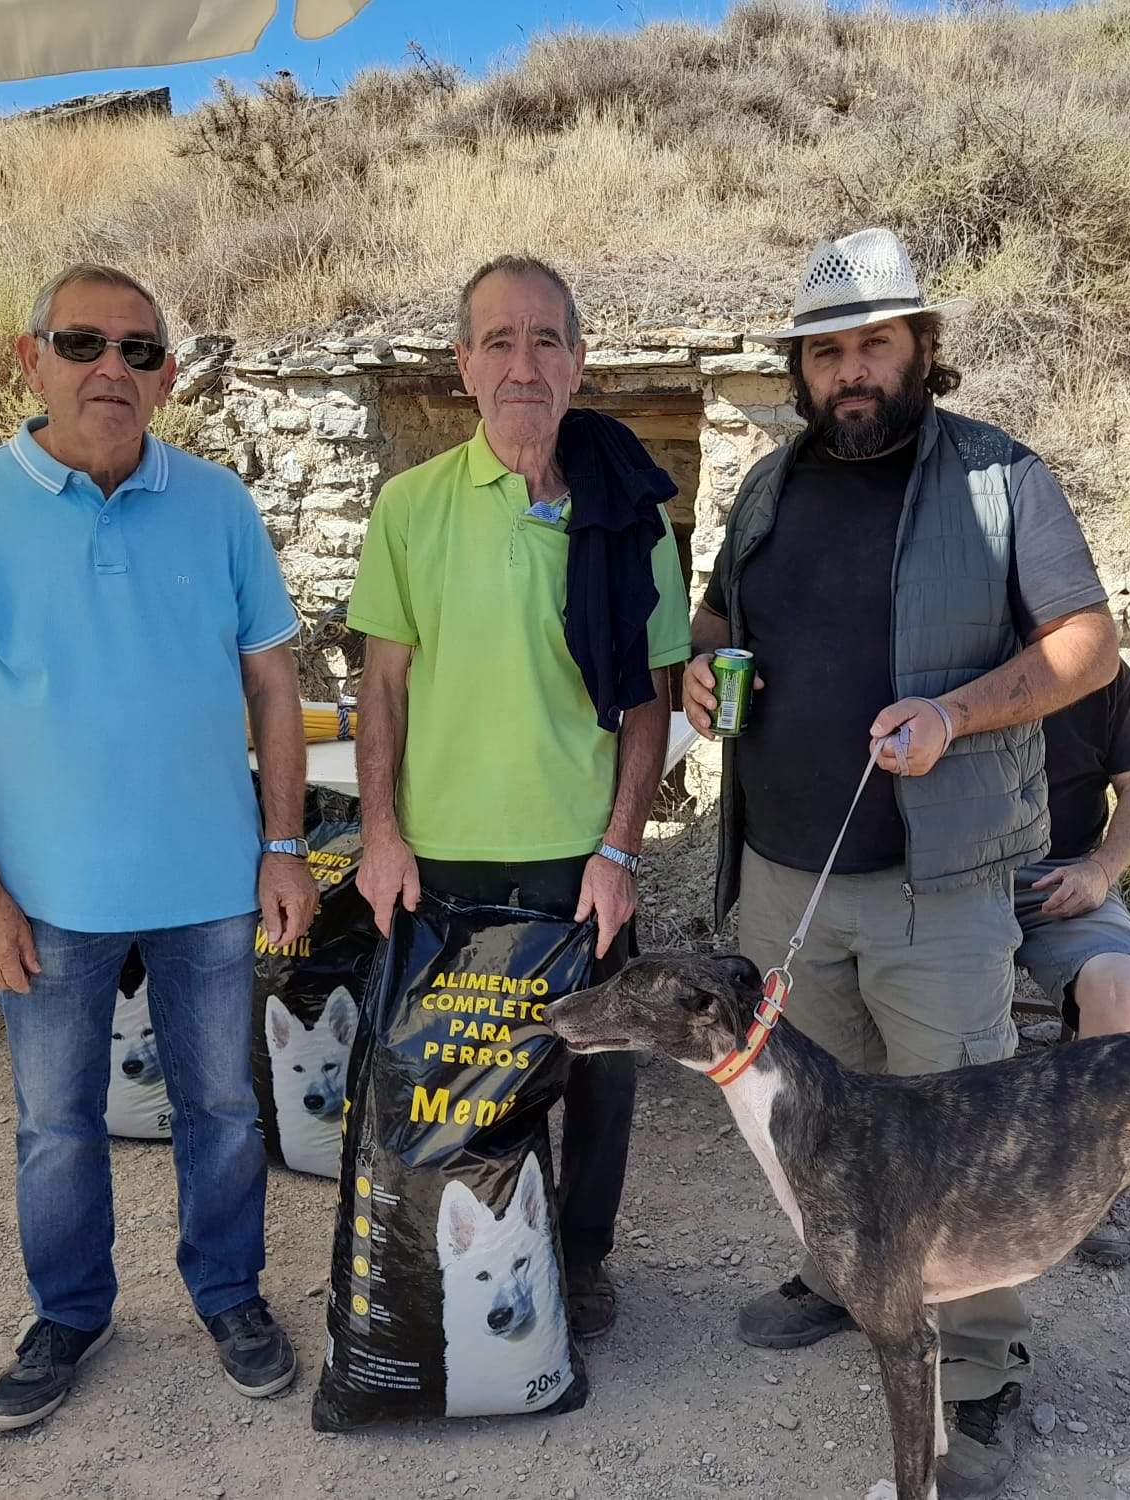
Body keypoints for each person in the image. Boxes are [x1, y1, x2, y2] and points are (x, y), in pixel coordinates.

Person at [682, 228, 1119, 1500]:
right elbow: (718, 622)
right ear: (802, 369)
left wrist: (955, 712)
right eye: (827, 353)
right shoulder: (766, 489)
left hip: (940, 885)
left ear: (921, 348)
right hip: (780, 874)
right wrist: (704, 667)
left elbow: (1085, 644)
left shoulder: (1000, 479)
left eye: (874, 343)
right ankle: (842, 1278)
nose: (850, 373)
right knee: (814, 1111)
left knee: (967, 1134)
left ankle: (977, 1375)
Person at [0, 263, 318, 1432]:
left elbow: (272, 686)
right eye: (84, 343)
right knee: (55, 1125)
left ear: (168, 379)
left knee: (224, 1111)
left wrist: (284, 844)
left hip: (208, 886)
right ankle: (70, 1313)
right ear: (26, 357)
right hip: (43, 898)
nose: (112, 369)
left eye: (140, 352)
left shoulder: (218, 504)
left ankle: (229, 1295)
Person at [348, 254, 693, 1341]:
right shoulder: (408, 509)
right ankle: (457, 1249)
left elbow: (646, 701)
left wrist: (621, 848)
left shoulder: (632, 518)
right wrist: (380, 833)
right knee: (453, 1076)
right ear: (461, 365)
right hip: (440, 858)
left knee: (596, 1072)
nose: (521, 363)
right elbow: (382, 686)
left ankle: (579, 1258)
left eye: (545, 339)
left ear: (578, 361)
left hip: (576, 855)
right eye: (496, 341)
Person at [1014, 657, 1130, 1266]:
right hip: (953, 883)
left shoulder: (1099, 672)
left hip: (1065, 875)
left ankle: (1078, 1196)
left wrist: (1101, 870)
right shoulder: (950, 649)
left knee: (1122, 985)